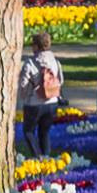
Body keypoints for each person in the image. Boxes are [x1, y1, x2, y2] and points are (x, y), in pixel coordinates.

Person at [17, 31, 63, 159]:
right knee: (45, 132)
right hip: (52, 102)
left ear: (37, 46)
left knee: (29, 132)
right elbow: (61, 80)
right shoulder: (56, 62)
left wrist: (24, 99)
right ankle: (46, 158)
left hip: (34, 104)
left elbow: (23, 86)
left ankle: (37, 158)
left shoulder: (30, 63)